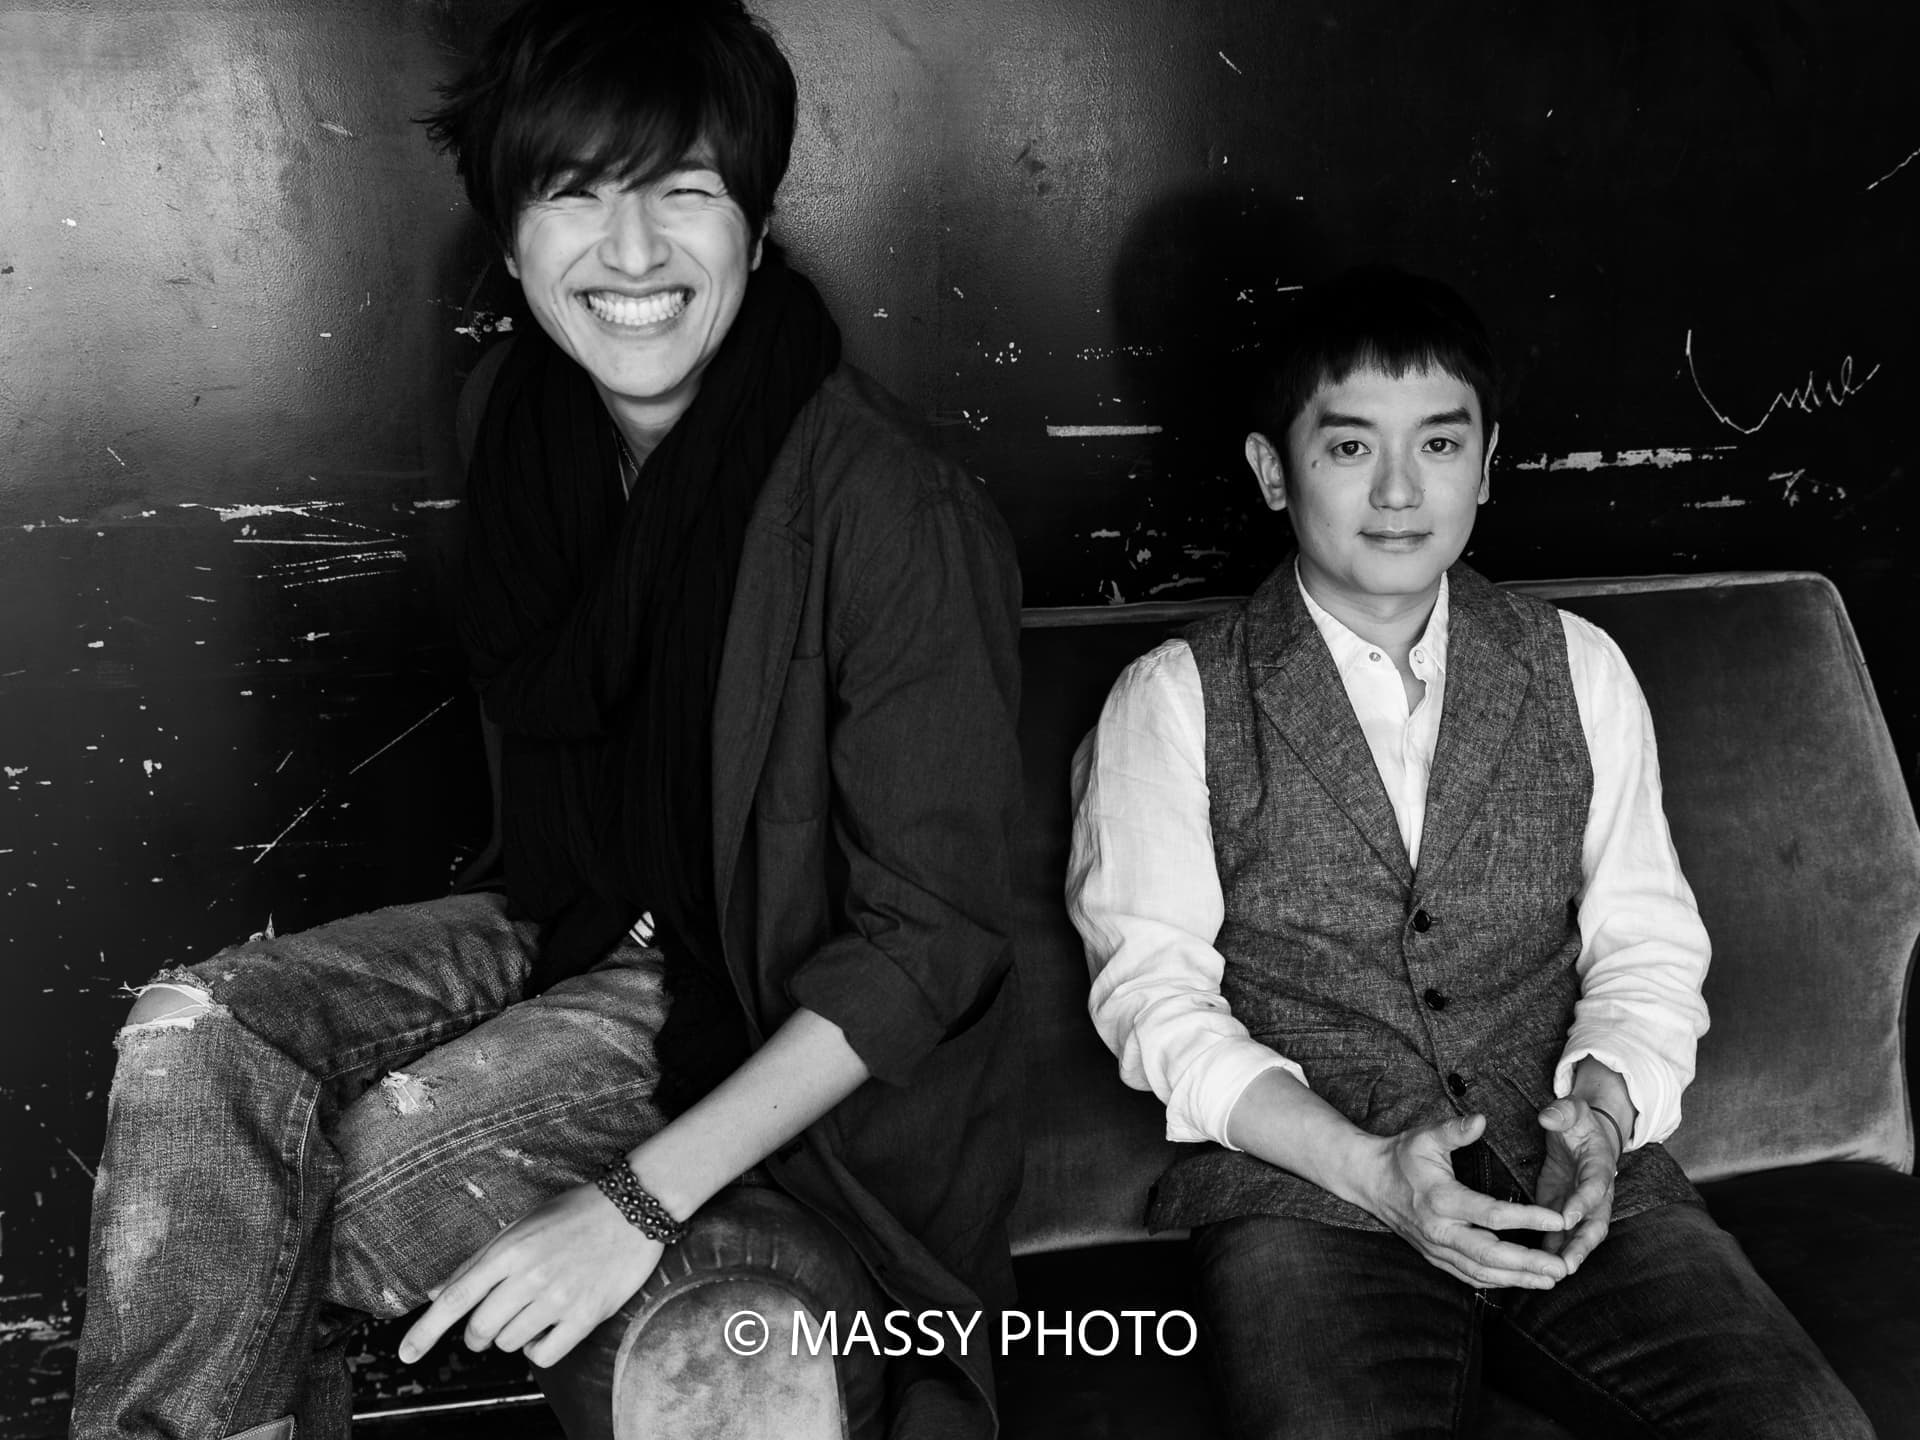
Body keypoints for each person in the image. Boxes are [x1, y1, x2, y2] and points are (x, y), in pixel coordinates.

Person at [71, 3, 1024, 1437]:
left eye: (682, 192)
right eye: (575, 194)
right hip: (570, 919)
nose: (631, 255)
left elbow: (931, 941)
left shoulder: (888, 507)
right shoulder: (518, 424)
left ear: (758, 228)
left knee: (289, 1203)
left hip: (753, 995)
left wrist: (635, 1200)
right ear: (513, 247)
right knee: (186, 1038)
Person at [1066, 266, 1873, 1437]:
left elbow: (1646, 945)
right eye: (1350, 447)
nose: (1399, 490)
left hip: (1569, 1177)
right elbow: (1153, 998)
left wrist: (1603, 1120)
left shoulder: (1577, 666)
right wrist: (1365, 1168)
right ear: (1272, 470)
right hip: (1312, 1193)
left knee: (1805, 1427)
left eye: (1439, 444)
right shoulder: (1175, 698)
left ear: (1487, 464)